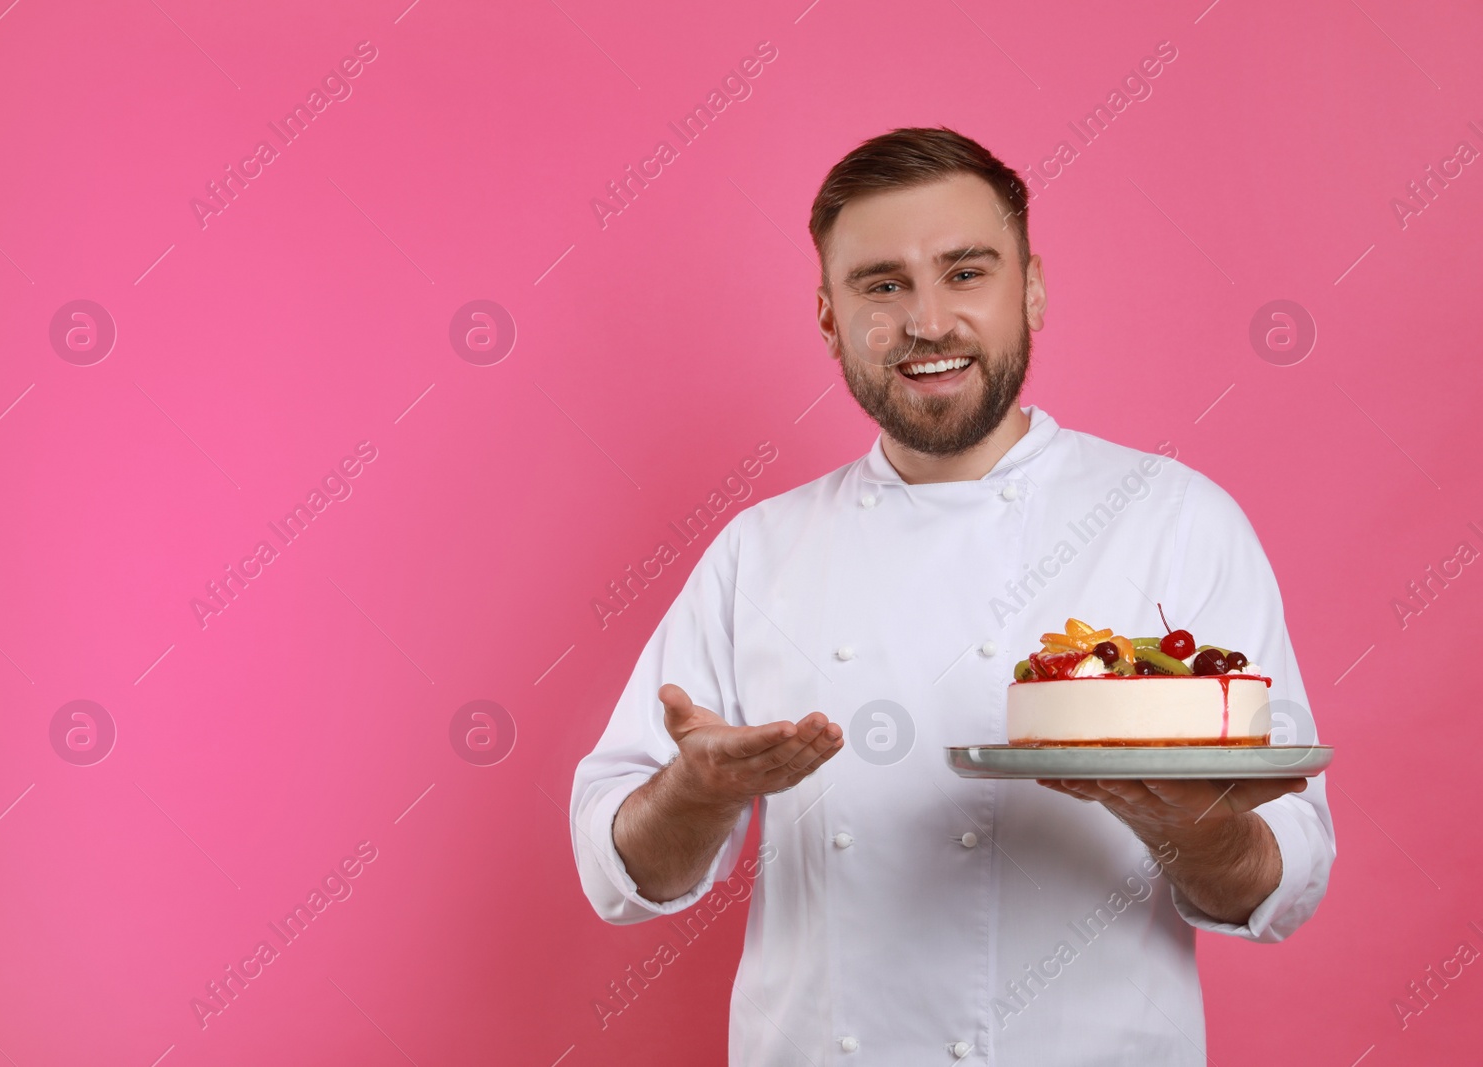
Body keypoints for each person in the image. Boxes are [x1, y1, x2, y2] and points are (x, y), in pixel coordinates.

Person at [569, 126, 1334, 1065]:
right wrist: (696, 791)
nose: (927, 321)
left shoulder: (1175, 519)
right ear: (827, 317)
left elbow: (1280, 877)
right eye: (882, 284)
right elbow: (621, 875)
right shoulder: (757, 553)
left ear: (1034, 288)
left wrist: (1194, 829)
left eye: (966, 272)